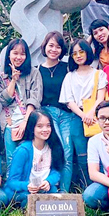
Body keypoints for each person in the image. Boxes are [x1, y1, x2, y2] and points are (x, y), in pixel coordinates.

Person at [59, 39, 107, 188]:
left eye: (81, 52)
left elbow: (100, 97)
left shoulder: (99, 74)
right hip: (76, 117)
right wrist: (83, 115)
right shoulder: (70, 76)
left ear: (88, 52)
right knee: (82, 155)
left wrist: (90, 113)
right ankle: (86, 188)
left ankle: (102, 187)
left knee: (99, 152)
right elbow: (69, 101)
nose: (78, 56)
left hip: (96, 116)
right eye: (74, 53)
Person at [4, 109, 65, 207]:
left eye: (48, 126)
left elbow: (56, 171)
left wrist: (48, 181)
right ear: (32, 128)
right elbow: (12, 182)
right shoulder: (23, 150)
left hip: (44, 190)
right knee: (30, 199)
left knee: (53, 192)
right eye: (40, 126)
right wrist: (27, 186)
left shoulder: (53, 147)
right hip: (24, 191)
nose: (45, 130)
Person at [0, 38, 43, 168]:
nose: (19, 57)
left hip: (29, 122)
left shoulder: (34, 73)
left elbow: (35, 99)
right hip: (9, 124)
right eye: (15, 53)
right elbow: (4, 100)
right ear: (9, 55)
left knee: (31, 159)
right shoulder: (2, 76)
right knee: (12, 160)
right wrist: (13, 80)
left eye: (22, 54)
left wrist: (25, 122)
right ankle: (13, 182)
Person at [38, 31, 74, 192]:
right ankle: (51, 188)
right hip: (47, 114)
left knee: (68, 151)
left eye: (58, 47)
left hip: (67, 114)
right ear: (45, 47)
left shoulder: (68, 68)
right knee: (56, 148)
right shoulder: (37, 70)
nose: (54, 49)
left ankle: (64, 192)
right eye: (51, 45)